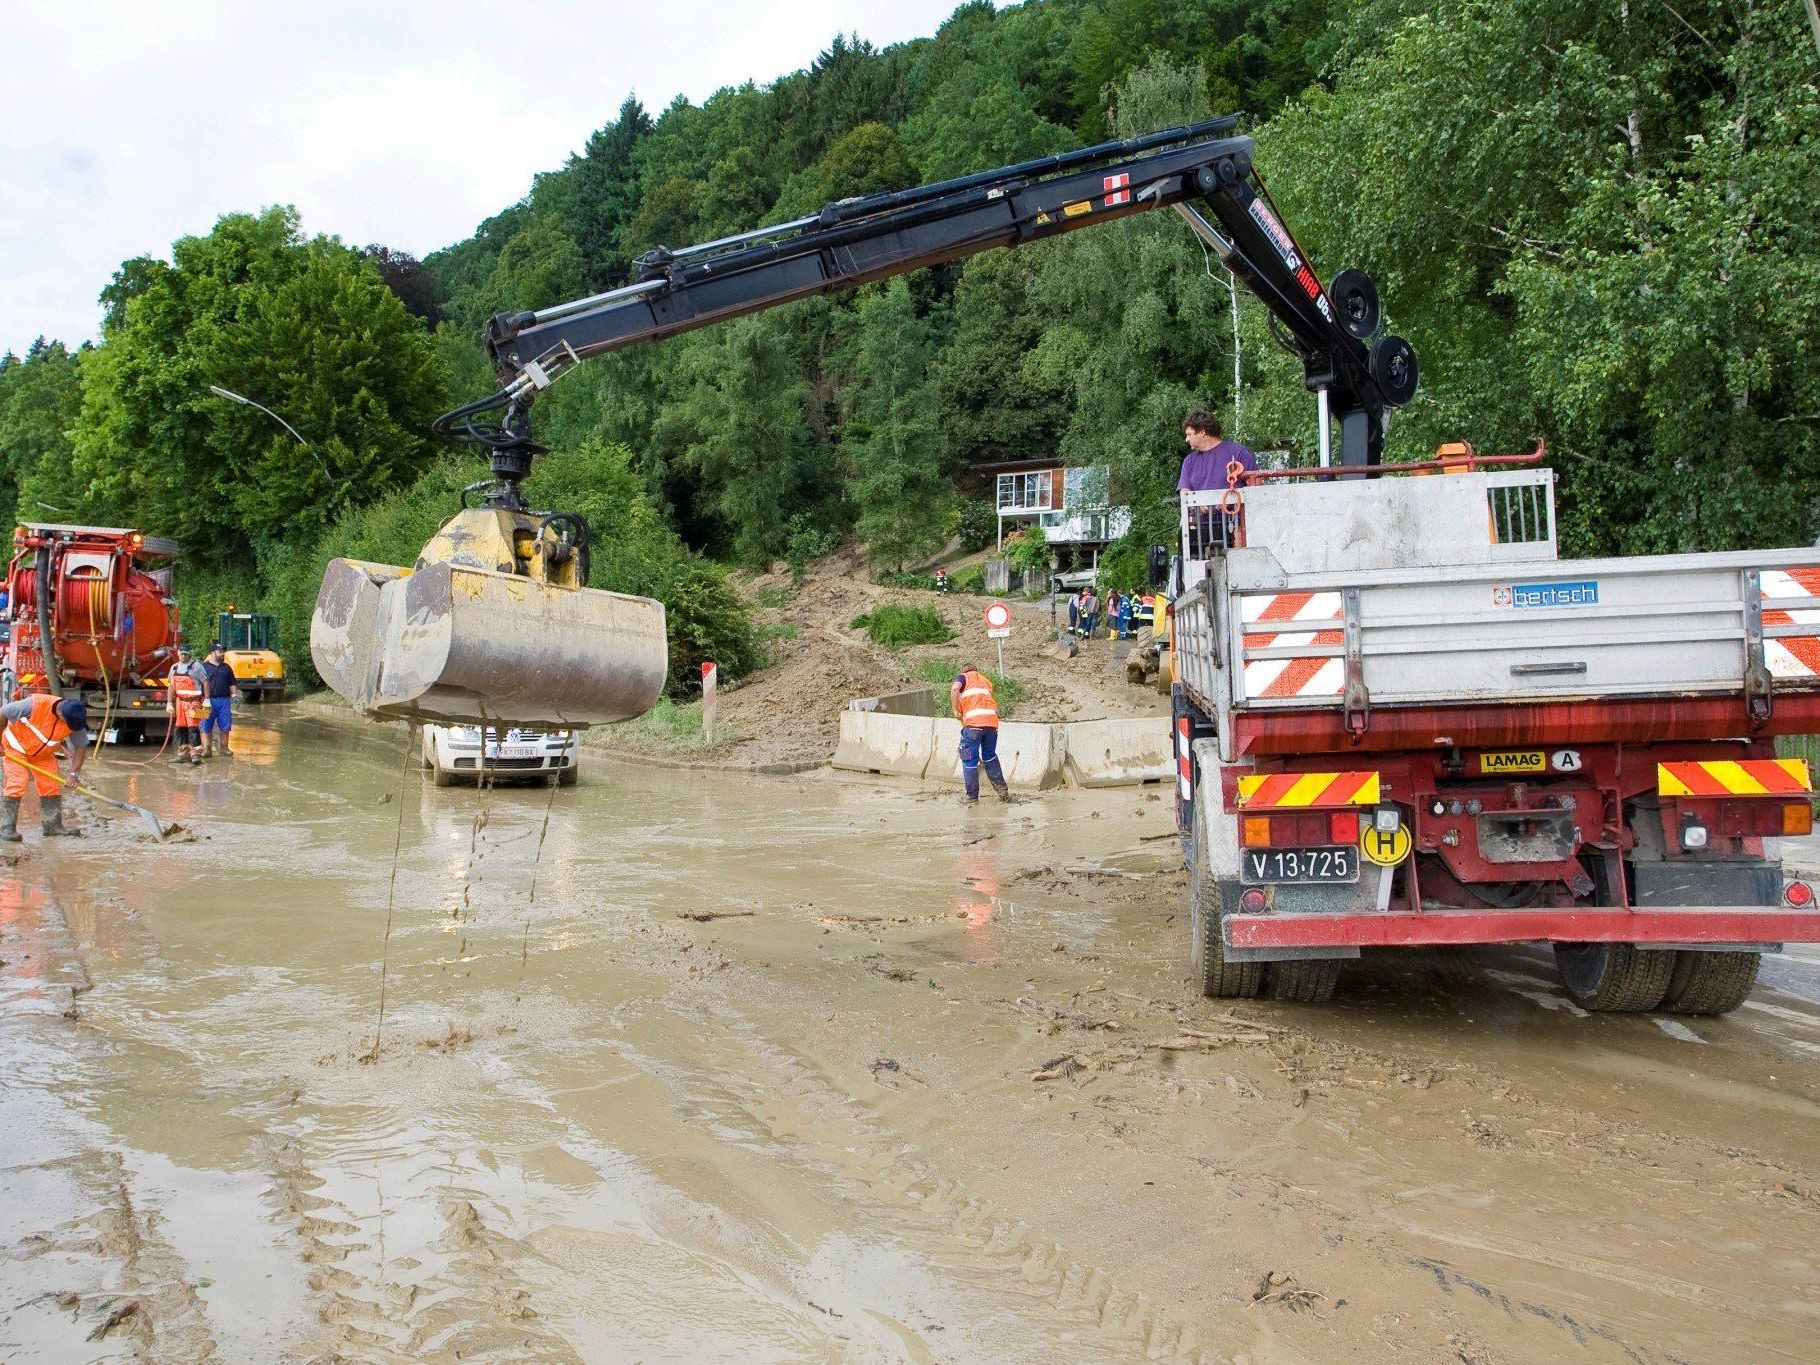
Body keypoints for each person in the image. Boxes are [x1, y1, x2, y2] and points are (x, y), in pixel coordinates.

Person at [0, 694, 89, 840]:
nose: (71, 727)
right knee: (18, 783)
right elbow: (3, 712)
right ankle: (6, 829)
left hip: (44, 755)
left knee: (50, 786)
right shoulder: (33, 705)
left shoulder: (74, 719)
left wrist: (74, 774)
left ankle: (53, 827)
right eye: (68, 723)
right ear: (60, 713)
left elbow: (81, 747)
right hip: (15, 749)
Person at [950, 667, 1009, 804]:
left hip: (973, 725)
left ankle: (971, 797)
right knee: (990, 756)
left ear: (964, 671)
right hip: (991, 725)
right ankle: (1002, 792)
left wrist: (955, 710)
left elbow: (955, 688)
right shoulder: (986, 681)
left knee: (969, 759)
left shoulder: (963, 677)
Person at [1176, 409, 1259, 491]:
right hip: (1199, 504)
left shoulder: (1239, 453)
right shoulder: (1189, 461)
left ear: (1202, 432)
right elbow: (1185, 495)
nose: (1187, 440)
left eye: (1189, 434)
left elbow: (1257, 491)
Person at [198, 642, 239, 757]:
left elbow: (232, 683)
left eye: (223, 652)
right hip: (206, 701)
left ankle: (224, 748)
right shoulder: (203, 667)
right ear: (212, 653)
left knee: (225, 725)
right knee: (205, 725)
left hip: (224, 701)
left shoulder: (227, 667)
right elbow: (196, 683)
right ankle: (206, 749)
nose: (222, 654)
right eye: (220, 652)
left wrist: (234, 695)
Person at [168, 647, 204, 765]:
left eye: (186, 654)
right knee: (180, 728)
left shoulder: (197, 666)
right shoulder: (174, 668)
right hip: (179, 703)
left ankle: (196, 755)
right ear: (178, 654)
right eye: (182, 654)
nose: (184, 656)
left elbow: (206, 683)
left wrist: (207, 700)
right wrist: (169, 702)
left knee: (193, 728)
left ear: (189, 655)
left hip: (194, 702)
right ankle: (183, 755)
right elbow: (171, 687)